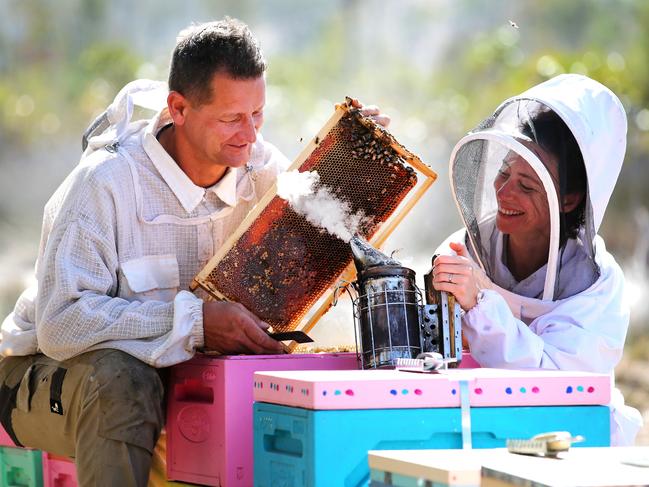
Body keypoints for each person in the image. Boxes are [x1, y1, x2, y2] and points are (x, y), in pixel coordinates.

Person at [0, 18, 388, 485]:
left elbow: (334, 245)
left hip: (174, 378)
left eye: (258, 114)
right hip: (41, 377)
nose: (249, 134)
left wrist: (359, 162)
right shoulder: (105, 183)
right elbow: (62, 325)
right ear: (178, 108)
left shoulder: (259, 168)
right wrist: (197, 322)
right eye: (230, 118)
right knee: (123, 381)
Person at [432, 73, 642, 445]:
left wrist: (482, 303)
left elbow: (552, 386)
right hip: (476, 432)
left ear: (569, 199)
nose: (504, 191)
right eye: (504, 172)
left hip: (574, 446)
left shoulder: (598, 289)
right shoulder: (466, 250)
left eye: (527, 185)